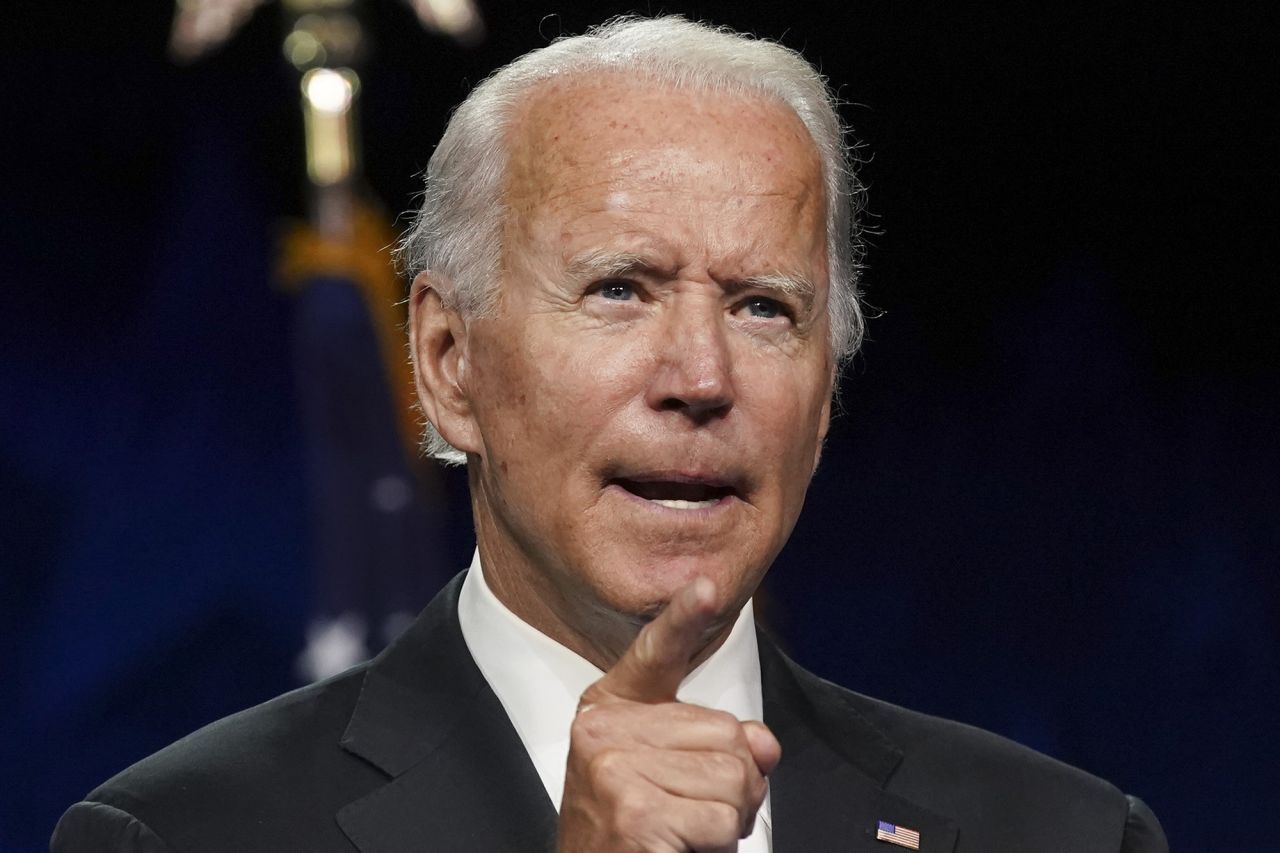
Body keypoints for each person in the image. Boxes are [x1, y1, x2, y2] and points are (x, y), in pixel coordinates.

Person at [52, 16, 1167, 853]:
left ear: (825, 397)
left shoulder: (1066, 833)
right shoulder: (181, 834)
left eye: (763, 307)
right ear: (448, 366)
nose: (700, 378)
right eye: (620, 289)